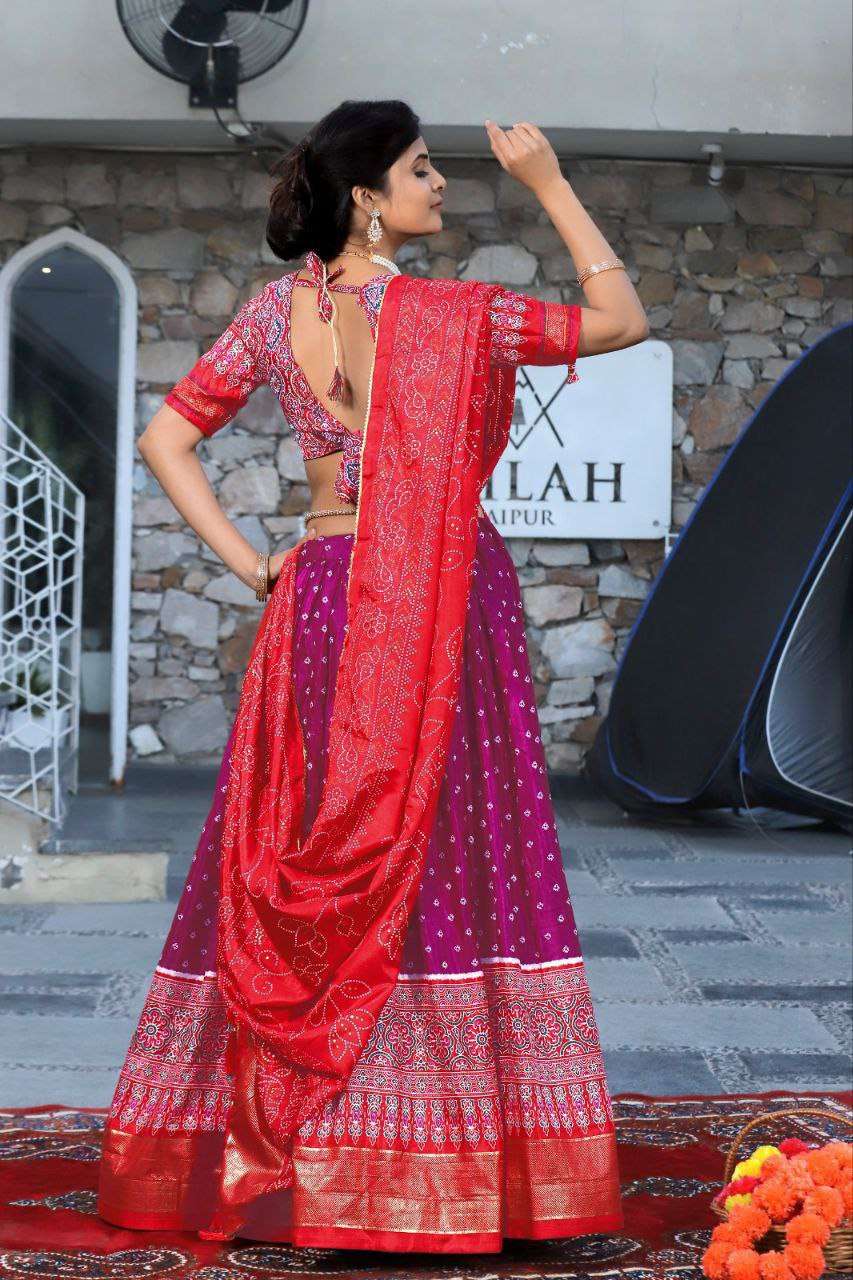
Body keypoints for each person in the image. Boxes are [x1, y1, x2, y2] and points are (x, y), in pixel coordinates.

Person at [96, 98, 649, 1251]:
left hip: (321, 594)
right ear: (367, 198)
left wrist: (257, 564)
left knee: (320, 852)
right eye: (422, 168)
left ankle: (306, 1161)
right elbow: (619, 318)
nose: (440, 184)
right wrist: (547, 181)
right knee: (445, 853)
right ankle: (440, 1157)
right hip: (438, 594)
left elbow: (165, 437)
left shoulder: (272, 313)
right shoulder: (457, 316)